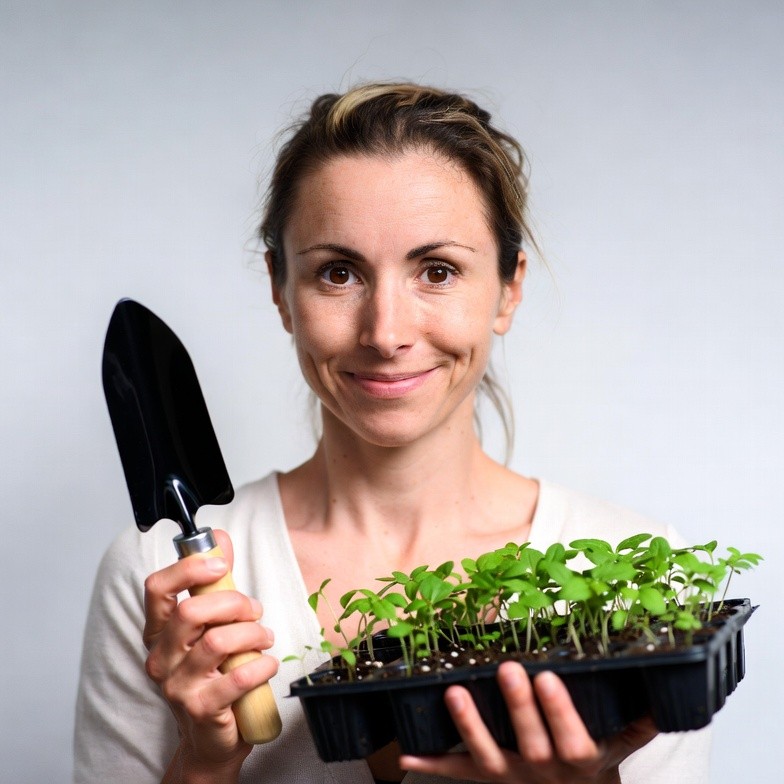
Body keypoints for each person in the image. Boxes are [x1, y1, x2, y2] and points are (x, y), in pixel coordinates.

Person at [74, 82, 711, 784]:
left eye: (437, 271)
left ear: (508, 288)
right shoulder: (167, 577)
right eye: (338, 273)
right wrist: (202, 762)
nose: (386, 333)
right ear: (280, 290)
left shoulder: (637, 582)